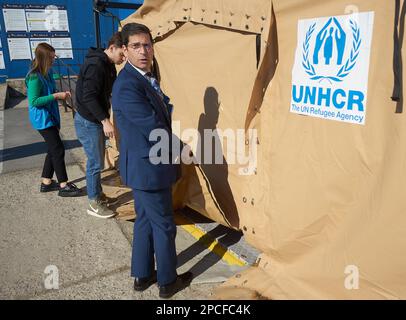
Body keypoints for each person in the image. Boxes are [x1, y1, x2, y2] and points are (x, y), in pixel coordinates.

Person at [112, 23, 192, 299]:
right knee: (164, 224)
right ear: (124, 50)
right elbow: (152, 125)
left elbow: (159, 112)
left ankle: (142, 275)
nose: (143, 51)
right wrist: (181, 148)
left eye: (147, 45)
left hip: (146, 165)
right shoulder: (127, 85)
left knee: (145, 220)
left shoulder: (143, 77)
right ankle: (168, 282)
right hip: (149, 167)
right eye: (136, 46)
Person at [74, 32, 125, 219]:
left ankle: (97, 193)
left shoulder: (108, 64)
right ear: (112, 48)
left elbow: (109, 90)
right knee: (95, 163)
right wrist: (105, 121)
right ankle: (94, 202)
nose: (123, 59)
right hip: (89, 122)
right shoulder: (97, 65)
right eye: (121, 54)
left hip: (93, 120)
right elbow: (88, 96)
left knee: (97, 161)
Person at [26, 43, 82, 197]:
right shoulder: (34, 77)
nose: (53, 60)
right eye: (51, 57)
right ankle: (64, 185)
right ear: (44, 58)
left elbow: (49, 91)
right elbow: (34, 101)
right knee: (58, 149)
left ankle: (46, 182)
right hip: (42, 119)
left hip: (50, 116)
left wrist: (59, 92)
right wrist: (56, 96)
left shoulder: (47, 73)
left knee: (52, 149)